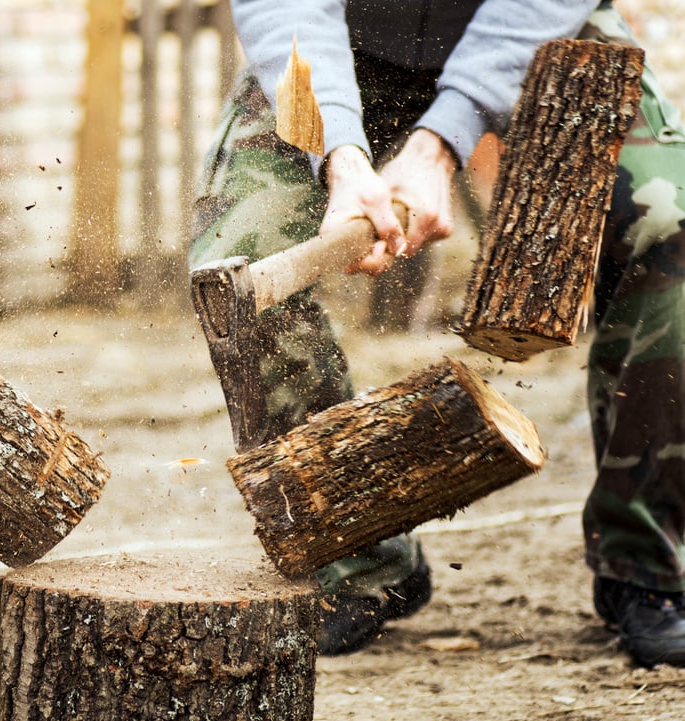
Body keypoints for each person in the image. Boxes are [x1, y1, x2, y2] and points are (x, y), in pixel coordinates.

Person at [189, 0, 684, 667]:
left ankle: (646, 564)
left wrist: (441, 140)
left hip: (538, 31)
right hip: (351, 36)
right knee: (237, 259)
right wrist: (339, 154)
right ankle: (354, 554)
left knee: (670, 231)